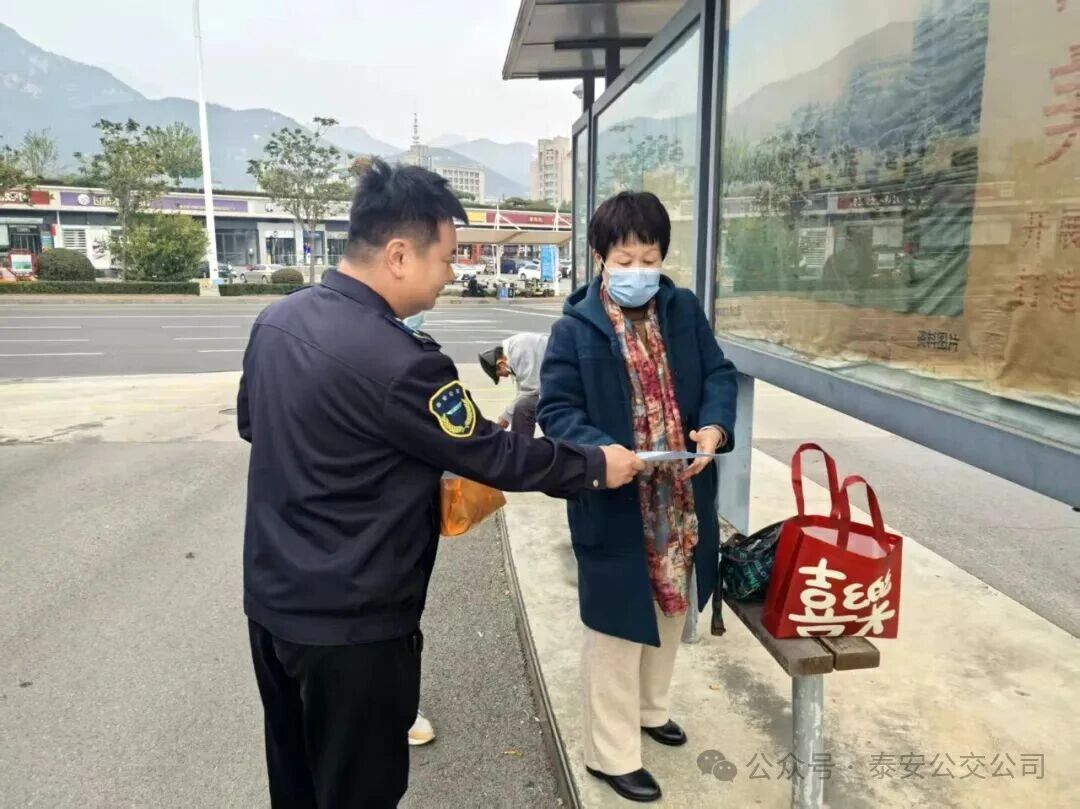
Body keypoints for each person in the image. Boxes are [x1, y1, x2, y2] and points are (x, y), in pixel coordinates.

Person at [237, 159, 645, 809]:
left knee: (296, 781)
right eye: (447, 258)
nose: (451, 274)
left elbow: (253, 424)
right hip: (354, 627)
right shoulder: (403, 363)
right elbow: (497, 455)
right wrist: (597, 465)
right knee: (359, 791)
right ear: (399, 255)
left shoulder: (277, 321)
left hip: (272, 605)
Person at [537, 191, 739, 803]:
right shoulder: (575, 328)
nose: (637, 272)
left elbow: (719, 374)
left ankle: (651, 709)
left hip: (679, 493)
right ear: (601, 257)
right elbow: (557, 411)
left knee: (671, 607)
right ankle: (611, 753)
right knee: (616, 626)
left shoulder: (682, 311)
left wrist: (713, 427)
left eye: (648, 259)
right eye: (625, 260)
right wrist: (603, 453)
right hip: (616, 498)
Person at [478, 333, 549, 436]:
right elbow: (523, 391)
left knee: (523, 408)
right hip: (557, 384)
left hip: (565, 386)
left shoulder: (520, 352)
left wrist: (507, 415)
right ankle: (519, 443)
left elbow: (531, 390)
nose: (505, 376)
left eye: (500, 374)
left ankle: (520, 445)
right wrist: (507, 416)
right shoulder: (514, 351)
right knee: (522, 405)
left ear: (500, 363)